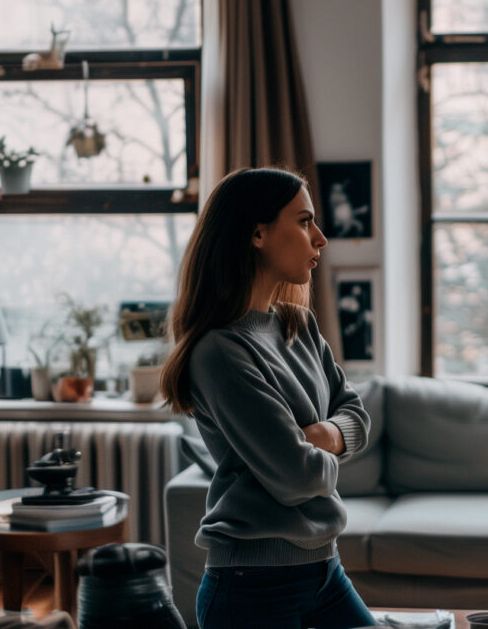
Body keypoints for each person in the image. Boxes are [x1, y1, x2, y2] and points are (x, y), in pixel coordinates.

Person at [160, 167, 376, 629]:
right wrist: (335, 440)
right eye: (303, 221)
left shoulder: (299, 324)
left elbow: (358, 417)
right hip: (251, 585)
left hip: (324, 569)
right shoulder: (219, 351)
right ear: (257, 234)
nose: (320, 237)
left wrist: (322, 436)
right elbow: (296, 477)